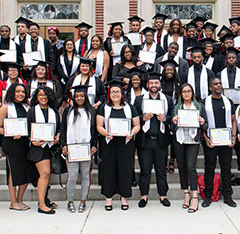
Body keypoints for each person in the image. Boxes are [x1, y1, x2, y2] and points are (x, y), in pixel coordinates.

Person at [96, 79, 141, 211]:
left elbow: (137, 125)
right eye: (113, 92)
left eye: (118, 92)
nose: (115, 94)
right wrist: (106, 134)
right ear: (109, 94)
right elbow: (99, 125)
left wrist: (131, 133)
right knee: (108, 170)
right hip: (109, 143)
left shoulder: (130, 108)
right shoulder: (103, 108)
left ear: (122, 93)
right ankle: (108, 198)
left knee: (125, 170)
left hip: (125, 144)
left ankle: (124, 197)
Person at [134, 72, 174, 208]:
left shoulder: (167, 99)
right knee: (145, 170)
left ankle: (163, 195)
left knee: (161, 170)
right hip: (145, 140)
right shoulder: (139, 99)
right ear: (148, 84)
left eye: (156, 83)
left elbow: (173, 117)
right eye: (151, 83)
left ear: (160, 85)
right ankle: (143, 196)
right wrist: (142, 118)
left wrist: (166, 119)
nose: (154, 85)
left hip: (161, 139)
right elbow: (134, 118)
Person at [0, 83, 34, 211]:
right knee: (14, 172)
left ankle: (20, 199)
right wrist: (10, 133)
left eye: (23, 92)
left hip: (25, 143)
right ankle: (13, 202)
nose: (20, 94)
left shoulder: (27, 107)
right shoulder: (5, 108)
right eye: (18, 91)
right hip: (12, 144)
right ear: (12, 92)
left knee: (27, 172)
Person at [170, 83, 207, 213]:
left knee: (191, 166)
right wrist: (174, 122)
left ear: (192, 93)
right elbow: (171, 128)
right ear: (181, 93)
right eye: (184, 91)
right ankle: (186, 194)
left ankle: (195, 196)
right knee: (181, 166)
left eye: (189, 91)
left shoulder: (199, 107)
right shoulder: (176, 108)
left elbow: (205, 126)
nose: (186, 93)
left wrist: (202, 122)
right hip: (179, 140)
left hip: (193, 140)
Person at [60, 85, 98, 213]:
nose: (79, 98)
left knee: (86, 176)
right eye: (77, 96)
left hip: (86, 148)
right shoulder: (68, 111)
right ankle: (70, 201)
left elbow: (94, 131)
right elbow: (63, 129)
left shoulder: (91, 111)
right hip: (72, 148)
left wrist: (94, 146)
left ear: (85, 97)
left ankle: (83, 201)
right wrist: (63, 145)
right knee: (72, 176)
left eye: (82, 96)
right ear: (73, 97)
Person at [201, 77, 237, 208]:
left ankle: (228, 196)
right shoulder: (204, 102)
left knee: (226, 168)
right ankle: (208, 196)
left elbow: (233, 120)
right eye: (215, 84)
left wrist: (233, 136)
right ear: (210, 87)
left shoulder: (229, 102)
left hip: (226, 141)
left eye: (220, 83)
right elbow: (202, 122)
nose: (218, 85)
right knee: (209, 168)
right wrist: (205, 138)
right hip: (211, 141)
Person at [27, 87, 61, 214]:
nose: (43, 97)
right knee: (45, 173)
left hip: (50, 147)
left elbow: (58, 128)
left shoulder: (54, 111)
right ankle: (41, 205)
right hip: (37, 147)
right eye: (40, 95)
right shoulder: (32, 111)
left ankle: (44, 200)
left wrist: (58, 136)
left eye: (45, 95)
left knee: (46, 175)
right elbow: (27, 129)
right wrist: (32, 140)